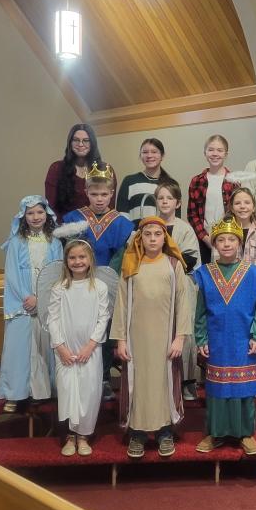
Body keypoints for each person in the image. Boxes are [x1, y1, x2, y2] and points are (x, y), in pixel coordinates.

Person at [112, 217, 193, 459]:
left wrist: (180, 337)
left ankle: (164, 432)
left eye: (158, 234)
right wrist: (121, 340)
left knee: (163, 382)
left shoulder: (173, 264)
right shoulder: (131, 263)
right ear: (140, 238)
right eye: (148, 234)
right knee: (138, 382)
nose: (153, 239)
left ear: (165, 238)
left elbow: (183, 302)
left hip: (165, 338)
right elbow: (121, 303)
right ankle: (137, 433)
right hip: (136, 338)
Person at [57, 162, 134, 400]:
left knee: (104, 328)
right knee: (80, 326)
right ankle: (76, 372)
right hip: (78, 282)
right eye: (94, 194)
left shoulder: (121, 222)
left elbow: (120, 256)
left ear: (111, 193)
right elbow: (67, 253)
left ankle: (104, 377)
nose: (99, 199)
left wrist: (106, 283)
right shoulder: (74, 219)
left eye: (104, 194)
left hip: (107, 283)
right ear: (86, 193)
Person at [193, 217, 256, 456]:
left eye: (231, 239)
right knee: (217, 388)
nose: (226, 244)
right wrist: (201, 338)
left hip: (243, 339)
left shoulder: (254, 274)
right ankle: (215, 433)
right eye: (221, 240)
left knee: (244, 387)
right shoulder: (205, 274)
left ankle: (246, 434)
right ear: (214, 244)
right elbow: (200, 310)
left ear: (239, 243)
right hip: (217, 340)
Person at [0, 195, 63, 413]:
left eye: (40, 212)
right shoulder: (16, 242)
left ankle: (42, 391)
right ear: (23, 216)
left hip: (45, 301)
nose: (36, 217)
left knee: (43, 348)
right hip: (21, 303)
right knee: (18, 350)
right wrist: (28, 297)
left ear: (47, 214)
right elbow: (12, 274)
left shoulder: (55, 242)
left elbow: (57, 272)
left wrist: (40, 298)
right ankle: (14, 394)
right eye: (30, 213)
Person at [48, 239, 112, 457]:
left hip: (89, 351)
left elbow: (103, 317)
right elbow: (52, 319)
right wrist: (60, 347)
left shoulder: (99, 287)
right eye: (72, 257)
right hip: (65, 351)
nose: (77, 261)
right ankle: (69, 436)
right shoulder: (60, 288)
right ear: (66, 261)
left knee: (88, 392)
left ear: (90, 259)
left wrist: (91, 345)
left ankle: (83, 436)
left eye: (82, 257)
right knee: (68, 391)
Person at [155, 181, 202, 402]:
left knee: (184, 330)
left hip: (182, 283)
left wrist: (165, 261)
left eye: (169, 198)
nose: (165, 202)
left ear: (178, 203)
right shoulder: (150, 226)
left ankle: (187, 381)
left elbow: (190, 259)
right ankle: (162, 380)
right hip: (156, 287)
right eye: (160, 198)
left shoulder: (185, 229)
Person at [227, 186, 256, 354]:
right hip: (232, 288)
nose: (242, 206)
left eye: (247, 202)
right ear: (231, 207)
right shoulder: (225, 230)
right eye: (238, 203)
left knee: (254, 333)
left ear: (253, 207)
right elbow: (216, 260)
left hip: (255, 289)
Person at [187, 134, 234, 265]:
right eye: (211, 150)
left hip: (228, 239)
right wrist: (206, 238)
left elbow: (238, 213)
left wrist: (226, 237)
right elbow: (192, 215)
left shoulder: (234, 181)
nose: (215, 154)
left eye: (220, 150)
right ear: (205, 153)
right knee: (207, 274)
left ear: (226, 154)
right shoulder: (196, 181)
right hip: (204, 241)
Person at [44, 124, 105, 215]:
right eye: (76, 140)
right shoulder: (56, 168)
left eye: (86, 140)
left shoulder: (105, 170)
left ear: (92, 143)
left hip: (99, 223)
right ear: (70, 143)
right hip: (64, 223)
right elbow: (51, 208)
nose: (80, 144)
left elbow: (109, 209)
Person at [116, 138, 177, 226]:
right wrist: (133, 234)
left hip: (163, 234)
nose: (149, 155)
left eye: (154, 152)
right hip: (135, 234)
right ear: (140, 156)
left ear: (162, 156)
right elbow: (122, 215)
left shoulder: (171, 184)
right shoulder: (129, 181)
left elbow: (175, 220)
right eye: (145, 152)